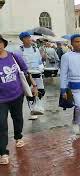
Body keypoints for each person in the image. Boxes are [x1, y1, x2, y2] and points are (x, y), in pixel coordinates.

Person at [0, 35, 38, 165]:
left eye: (0, 42)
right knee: (1, 124)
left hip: (17, 94)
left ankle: (18, 137)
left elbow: (25, 71)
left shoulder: (13, 56)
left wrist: (34, 85)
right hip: (1, 99)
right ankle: (3, 152)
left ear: (3, 43)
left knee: (18, 118)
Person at [15, 32, 45, 120]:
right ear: (22, 40)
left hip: (37, 73)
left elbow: (40, 61)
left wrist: (42, 63)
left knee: (41, 91)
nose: (29, 39)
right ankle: (32, 110)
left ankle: (38, 107)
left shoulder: (36, 49)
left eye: (29, 37)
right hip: (27, 74)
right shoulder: (19, 50)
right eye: (26, 38)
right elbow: (18, 63)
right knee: (29, 93)